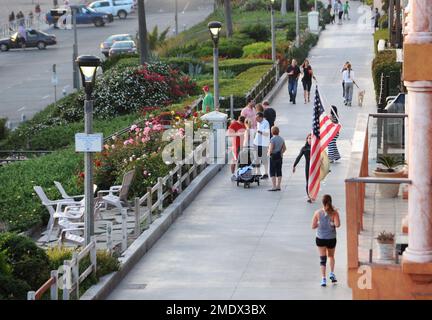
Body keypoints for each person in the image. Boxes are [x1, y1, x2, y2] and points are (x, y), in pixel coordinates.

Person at [311, 194, 341, 287]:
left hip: (320, 239)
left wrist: (319, 223)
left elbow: (313, 226)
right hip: (331, 238)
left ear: (322, 203)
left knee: (322, 259)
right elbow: (338, 225)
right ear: (331, 202)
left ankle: (323, 279)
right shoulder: (335, 213)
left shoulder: (317, 213)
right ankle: (332, 274)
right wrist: (332, 222)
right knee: (331, 256)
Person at [293, 133, 312, 203]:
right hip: (307, 167)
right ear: (307, 139)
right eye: (309, 138)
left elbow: (322, 157)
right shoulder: (304, 148)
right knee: (308, 181)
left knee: (314, 181)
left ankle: (313, 194)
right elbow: (299, 157)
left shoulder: (316, 148)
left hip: (315, 168)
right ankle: (309, 196)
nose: (310, 140)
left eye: (312, 138)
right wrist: (294, 165)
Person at [227, 115, 246, 180]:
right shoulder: (234, 124)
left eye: (243, 124)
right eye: (241, 123)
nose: (242, 125)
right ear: (238, 120)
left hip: (244, 145)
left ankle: (241, 173)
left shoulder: (245, 124)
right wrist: (237, 134)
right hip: (236, 145)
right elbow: (229, 134)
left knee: (243, 160)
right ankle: (233, 174)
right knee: (235, 160)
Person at [268, 126, 286, 191]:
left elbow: (271, 148)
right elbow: (284, 148)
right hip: (279, 157)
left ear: (272, 132)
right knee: (279, 171)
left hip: (273, 157)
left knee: (272, 171)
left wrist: (269, 153)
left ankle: (274, 186)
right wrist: (281, 153)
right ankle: (278, 186)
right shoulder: (281, 139)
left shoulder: (272, 139)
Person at [253, 112, 270, 179]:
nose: (256, 120)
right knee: (256, 158)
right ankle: (258, 172)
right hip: (257, 142)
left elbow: (266, 133)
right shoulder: (258, 123)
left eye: (257, 118)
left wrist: (259, 131)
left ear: (261, 117)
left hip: (263, 143)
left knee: (264, 158)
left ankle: (266, 173)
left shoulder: (266, 123)